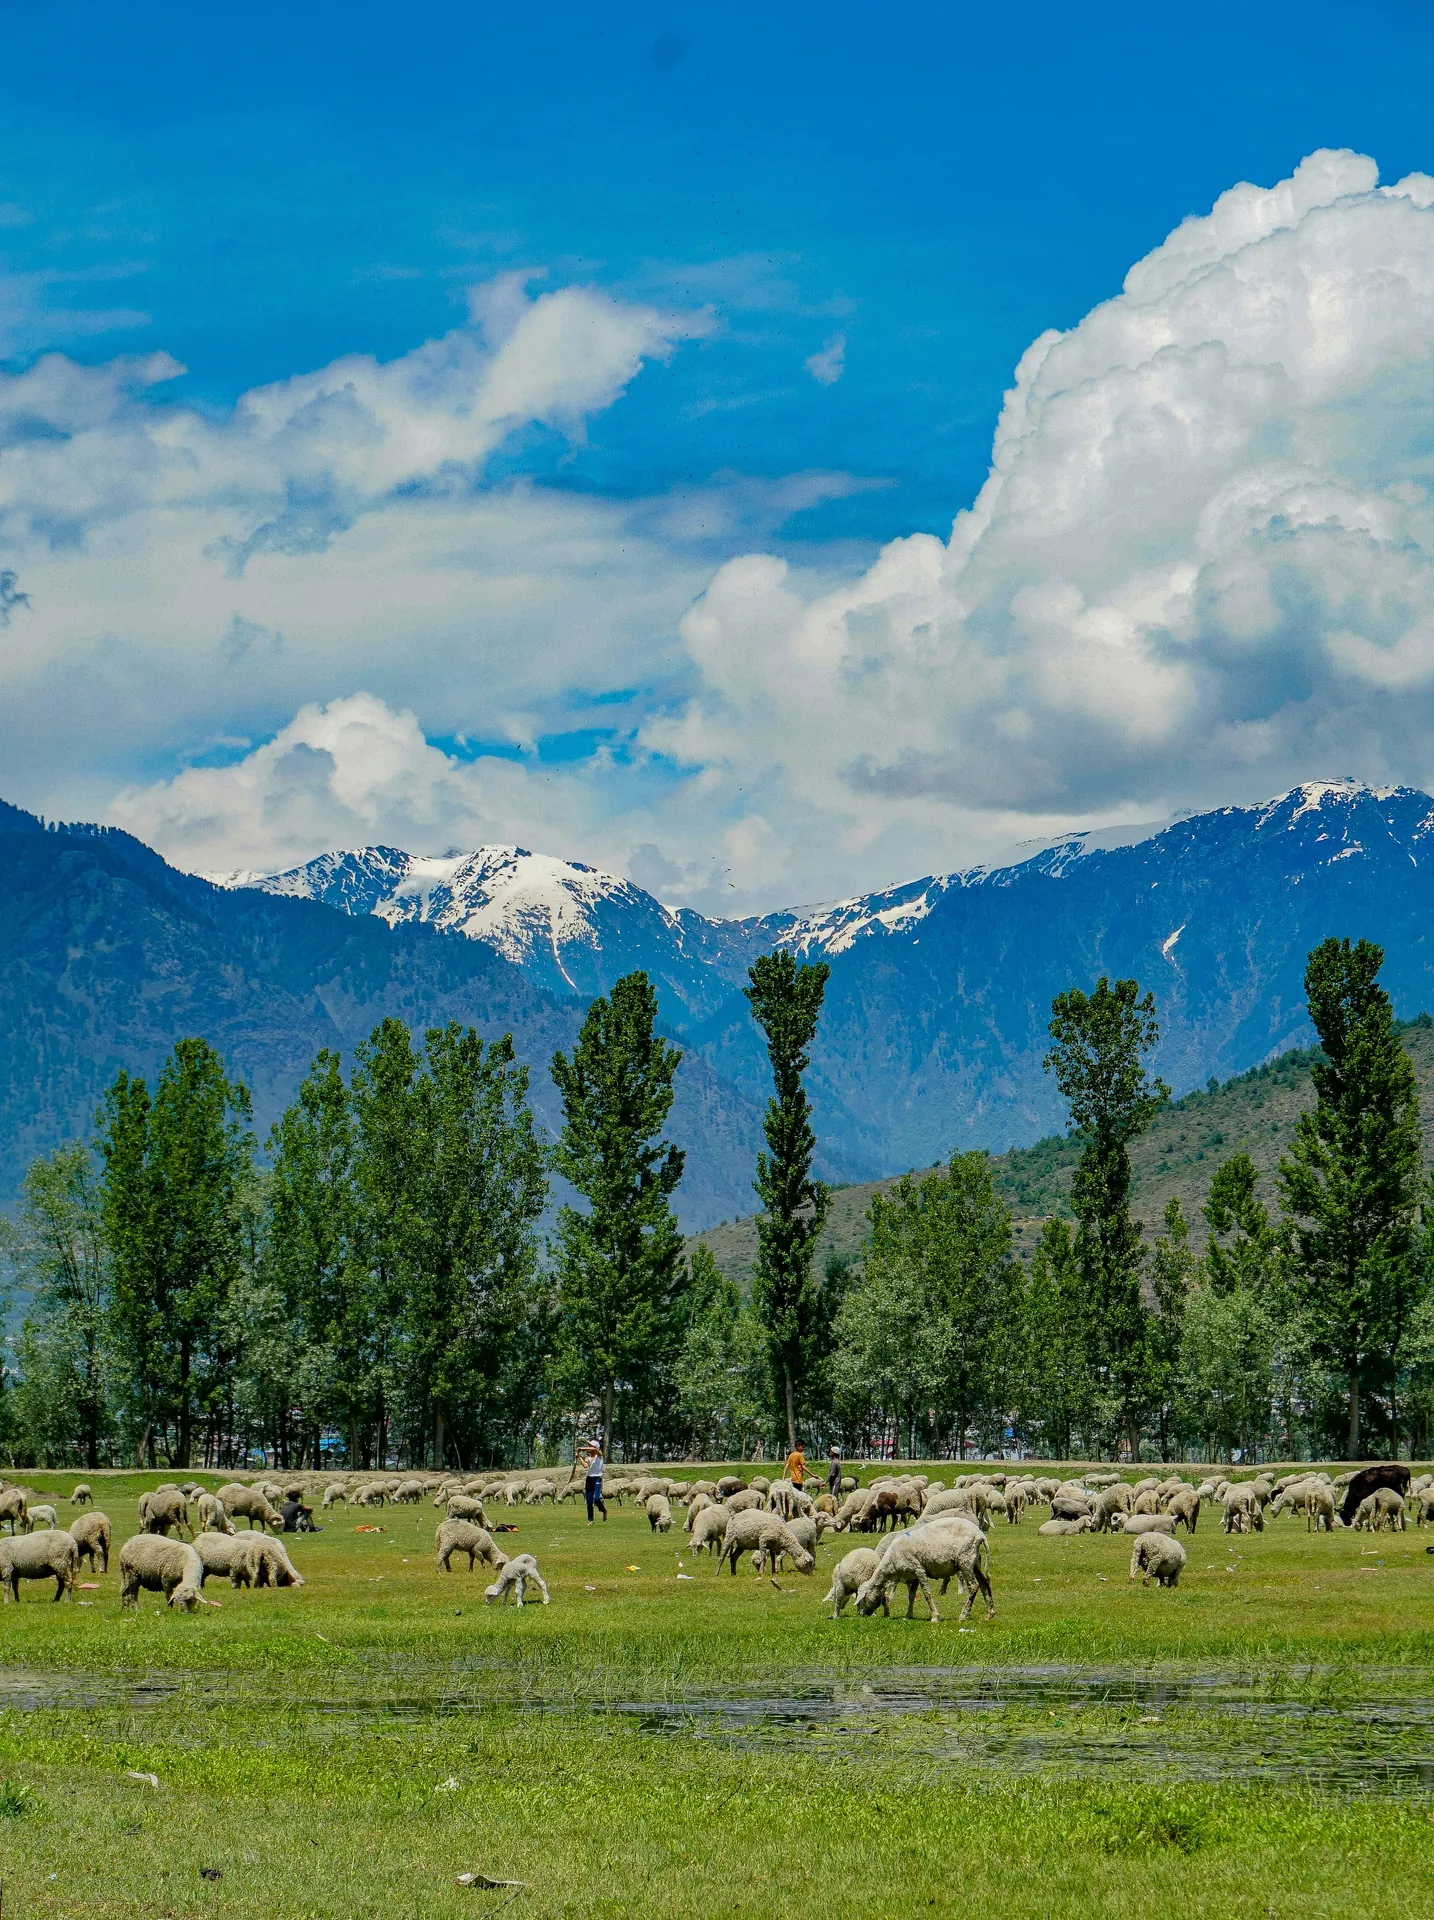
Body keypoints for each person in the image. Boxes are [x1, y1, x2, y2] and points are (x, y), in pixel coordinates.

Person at [583, 1441, 608, 1525]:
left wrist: (581, 1448)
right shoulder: (588, 1458)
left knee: (596, 1498)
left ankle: (604, 1510)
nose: (588, 1447)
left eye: (590, 1446)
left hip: (597, 1479)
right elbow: (585, 1466)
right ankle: (591, 1519)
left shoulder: (599, 1456)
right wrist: (579, 1456)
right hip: (589, 1479)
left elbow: (595, 1449)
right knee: (589, 1501)